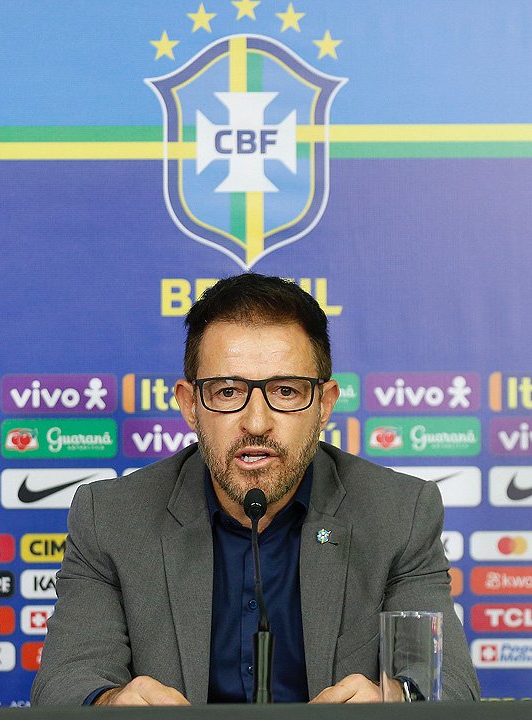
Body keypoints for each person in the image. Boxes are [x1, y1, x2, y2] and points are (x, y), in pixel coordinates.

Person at [31, 273, 479, 705]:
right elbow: (65, 683)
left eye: (285, 391)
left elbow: (447, 684)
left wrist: (394, 698)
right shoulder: (111, 516)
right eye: (227, 392)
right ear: (190, 405)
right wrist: (110, 703)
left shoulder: (399, 513)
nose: (257, 423)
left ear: (324, 405)